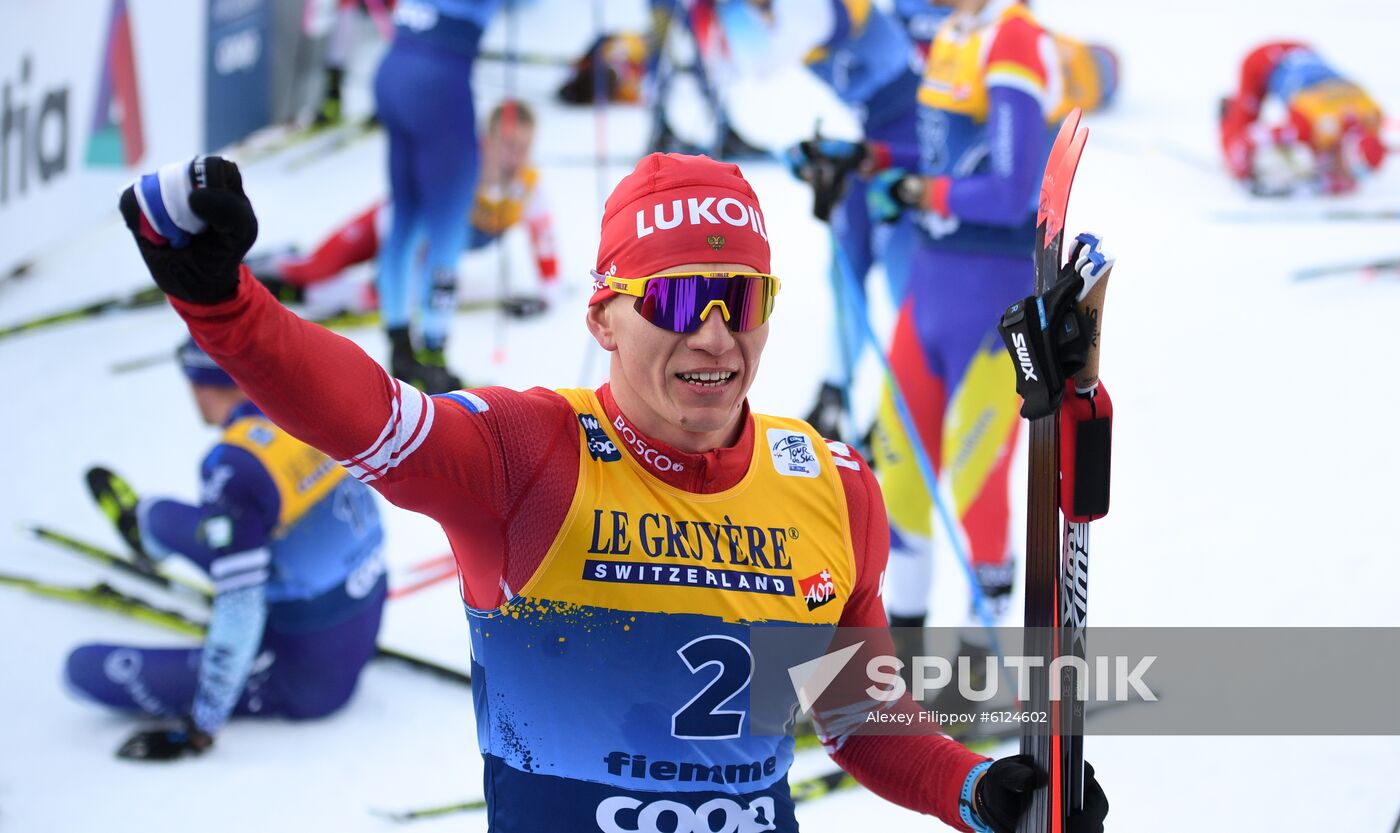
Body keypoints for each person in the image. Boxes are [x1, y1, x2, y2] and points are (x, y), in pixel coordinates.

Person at [117, 151, 1107, 829]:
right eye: (676, 298)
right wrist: (224, 305)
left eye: (740, 299)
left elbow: (854, 714)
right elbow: (362, 409)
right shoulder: (523, 453)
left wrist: (979, 791)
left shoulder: (830, 482)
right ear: (603, 317)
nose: (714, 335)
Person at [861, 0, 1060, 697]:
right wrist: (873, 159)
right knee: (902, 480)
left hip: (993, 306)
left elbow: (1012, 189)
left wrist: (921, 189)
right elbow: (942, 147)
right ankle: (904, 665)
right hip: (929, 295)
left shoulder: (1014, 40)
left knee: (976, 489)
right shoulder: (955, 31)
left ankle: (982, 669)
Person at [64, 337, 387, 760]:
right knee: (167, 514)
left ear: (199, 383)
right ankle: (144, 528)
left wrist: (201, 726)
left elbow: (240, 613)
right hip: (361, 613)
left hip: (309, 682)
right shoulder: (311, 409)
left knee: (81, 669)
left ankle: (153, 538)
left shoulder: (237, 465)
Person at [715, 0, 923, 442]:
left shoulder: (814, 9)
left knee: (903, 284)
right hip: (863, 142)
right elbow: (748, 85)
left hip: (907, 148)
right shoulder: (776, 17)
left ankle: (904, 408)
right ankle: (836, 393)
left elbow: (758, 64)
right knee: (846, 273)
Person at [249, 101, 559, 327]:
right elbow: (406, 232)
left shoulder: (526, 187)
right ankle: (260, 264)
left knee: (351, 295)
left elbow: (544, 241)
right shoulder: (458, 171)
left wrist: (547, 295)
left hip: (426, 246)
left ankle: (301, 293)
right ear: (487, 141)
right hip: (388, 225)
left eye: (525, 146)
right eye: (509, 145)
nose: (517, 156)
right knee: (313, 270)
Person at [373, 0, 503, 394]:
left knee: (406, 219)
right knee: (448, 230)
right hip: (438, 84)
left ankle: (400, 350)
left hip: (393, 69)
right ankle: (433, 355)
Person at [1220, 41, 1386, 196]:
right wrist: (1244, 173)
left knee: (1317, 156)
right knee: (1235, 144)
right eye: (1355, 171)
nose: (1352, 178)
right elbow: (1252, 137)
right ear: (1348, 153)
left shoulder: (1374, 117)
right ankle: (1230, 112)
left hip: (1304, 52)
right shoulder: (1309, 126)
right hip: (1263, 61)